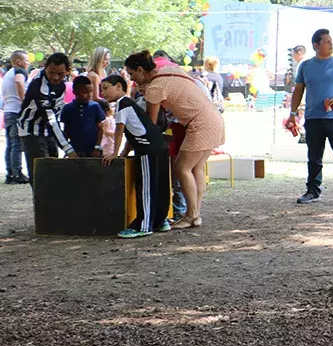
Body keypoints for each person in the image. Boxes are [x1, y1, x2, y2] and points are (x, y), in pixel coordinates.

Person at [124, 50, 225, 228]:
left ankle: (191, 215)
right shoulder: (171, 70)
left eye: (132, 74)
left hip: (199, 124)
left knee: (182, 168)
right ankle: (195, 214)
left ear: (140, 70)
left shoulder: (155, 87)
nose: (132, 80)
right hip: (214, 119)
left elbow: (151, 125)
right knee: (196, 168)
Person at [291, 28, 333, 205]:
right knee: (314, 156)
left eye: (331, 41)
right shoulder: (305, 66)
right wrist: (292, 114)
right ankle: (312, 191)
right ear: (316, 45)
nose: (331, 44)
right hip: (313, 119)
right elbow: (298, 91)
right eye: (327, 41)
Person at [100, 75, 171, 238]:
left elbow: (120, 130)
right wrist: (124, 153)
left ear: (118, 86)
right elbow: (132, 133)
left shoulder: (122, 104)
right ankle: (160, 220)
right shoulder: (129, 104)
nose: (103, 93)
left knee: (146, 187)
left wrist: (114, 153)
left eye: (105, 88)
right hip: (159, 147)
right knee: (159, 185)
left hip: (148, 149)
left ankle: (144, 225)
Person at [18, 53, 79, 179]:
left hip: (48, 130)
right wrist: (68, 149)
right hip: (32, 130)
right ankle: (41, 198)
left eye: (60, 74)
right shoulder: (39, 86)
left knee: (53, 167)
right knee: (40, 171)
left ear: (67, 71)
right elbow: (50, 118)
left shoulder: (61, 85)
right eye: (51, 72)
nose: (55, 77)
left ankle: (52, 197)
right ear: (45, 68)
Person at [59, 76, 106, 157]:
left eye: (91, 91)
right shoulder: (67, 108)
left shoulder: (95, 106)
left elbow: (100, 129)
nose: (89, 95)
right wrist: (68, 150)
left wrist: (97, 147)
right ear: (75, 92)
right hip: (75, 151)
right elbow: (66, 130)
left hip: (93, 150)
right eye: (85, 92)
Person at [2, 51, 31, 183]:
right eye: (26, 60)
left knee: (10, 144)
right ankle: (17, 173)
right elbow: (19, 82)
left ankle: (10, 173)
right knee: (17, 144)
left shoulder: (7, 74)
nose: (28, 63)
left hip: (8, 110)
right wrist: (24, 101)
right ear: (19, 61)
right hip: (16, 111)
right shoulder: (19, 71)